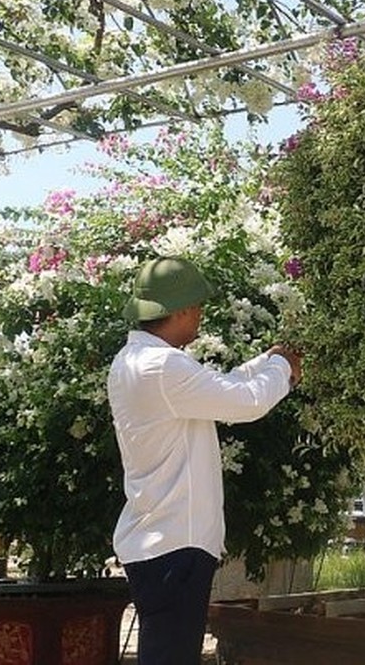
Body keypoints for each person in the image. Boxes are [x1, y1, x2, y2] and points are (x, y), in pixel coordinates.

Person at [108, 256, 302, 665]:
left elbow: (220, 389)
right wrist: (284, 368)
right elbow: (244, 402)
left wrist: (265, 363)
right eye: (197, 306)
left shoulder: (136, 361)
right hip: (174, 543)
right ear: (178, 311)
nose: (200, 316)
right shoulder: (163, 366)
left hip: (157, 539)